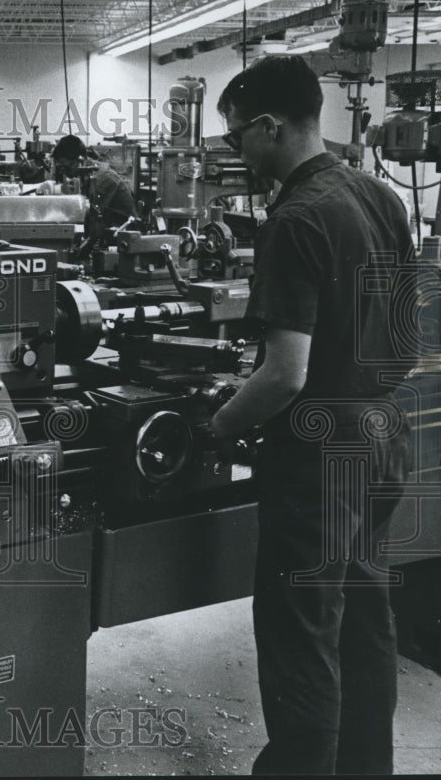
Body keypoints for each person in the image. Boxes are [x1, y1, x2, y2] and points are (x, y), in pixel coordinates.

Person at [209, 56, 414, 774]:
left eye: (236, 138)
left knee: (302, 633)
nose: (236, 153)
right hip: (385, 431)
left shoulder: (294, 219)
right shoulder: (380, 195)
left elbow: (285, 375)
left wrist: (220, 424)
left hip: (322, 449)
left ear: (270, 127)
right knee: (365, 618)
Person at [50, 134, 138, 245]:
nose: (63, 172)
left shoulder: (102, 178)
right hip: (109, 232)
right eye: (59, 168)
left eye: (65, 167)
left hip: (124, 236)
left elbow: (93, 219)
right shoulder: (87, 173)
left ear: (80, 160)